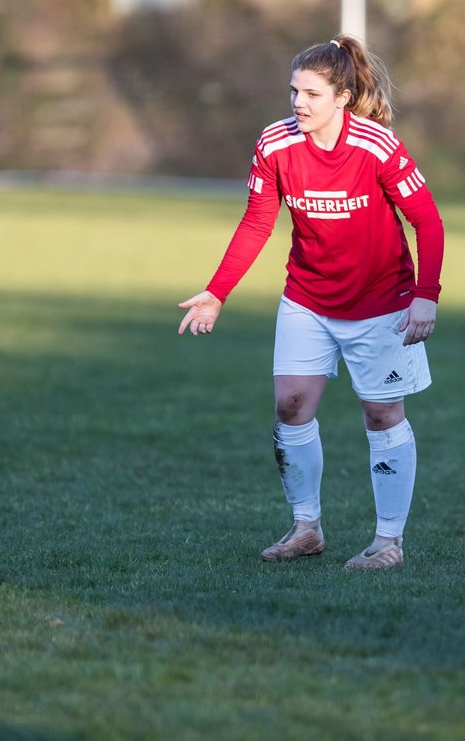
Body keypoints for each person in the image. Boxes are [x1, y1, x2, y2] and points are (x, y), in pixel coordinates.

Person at [178, 35, 444, 570]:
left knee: (381, 414)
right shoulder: (275, 144)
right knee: (291, 407)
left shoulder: (376, 146)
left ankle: (388, 542)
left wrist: (425, 297)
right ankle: (306, 529)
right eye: (294, 91)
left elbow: (428, 221)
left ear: (342, 97)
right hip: (308, 297)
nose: (298, 103)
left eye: (312, 94)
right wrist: (217, 291)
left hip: (381, 302)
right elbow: (258, 221)